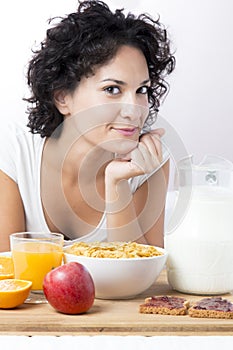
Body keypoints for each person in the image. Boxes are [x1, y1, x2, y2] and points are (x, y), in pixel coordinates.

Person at [0, 0, 175, 252]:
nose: (134, 109)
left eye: (141, 90)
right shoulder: (14, 152)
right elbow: (7, 274)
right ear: (63, 97)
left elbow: (141, 276)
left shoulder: (150, 159)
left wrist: (118, 185)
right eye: (112, 89)